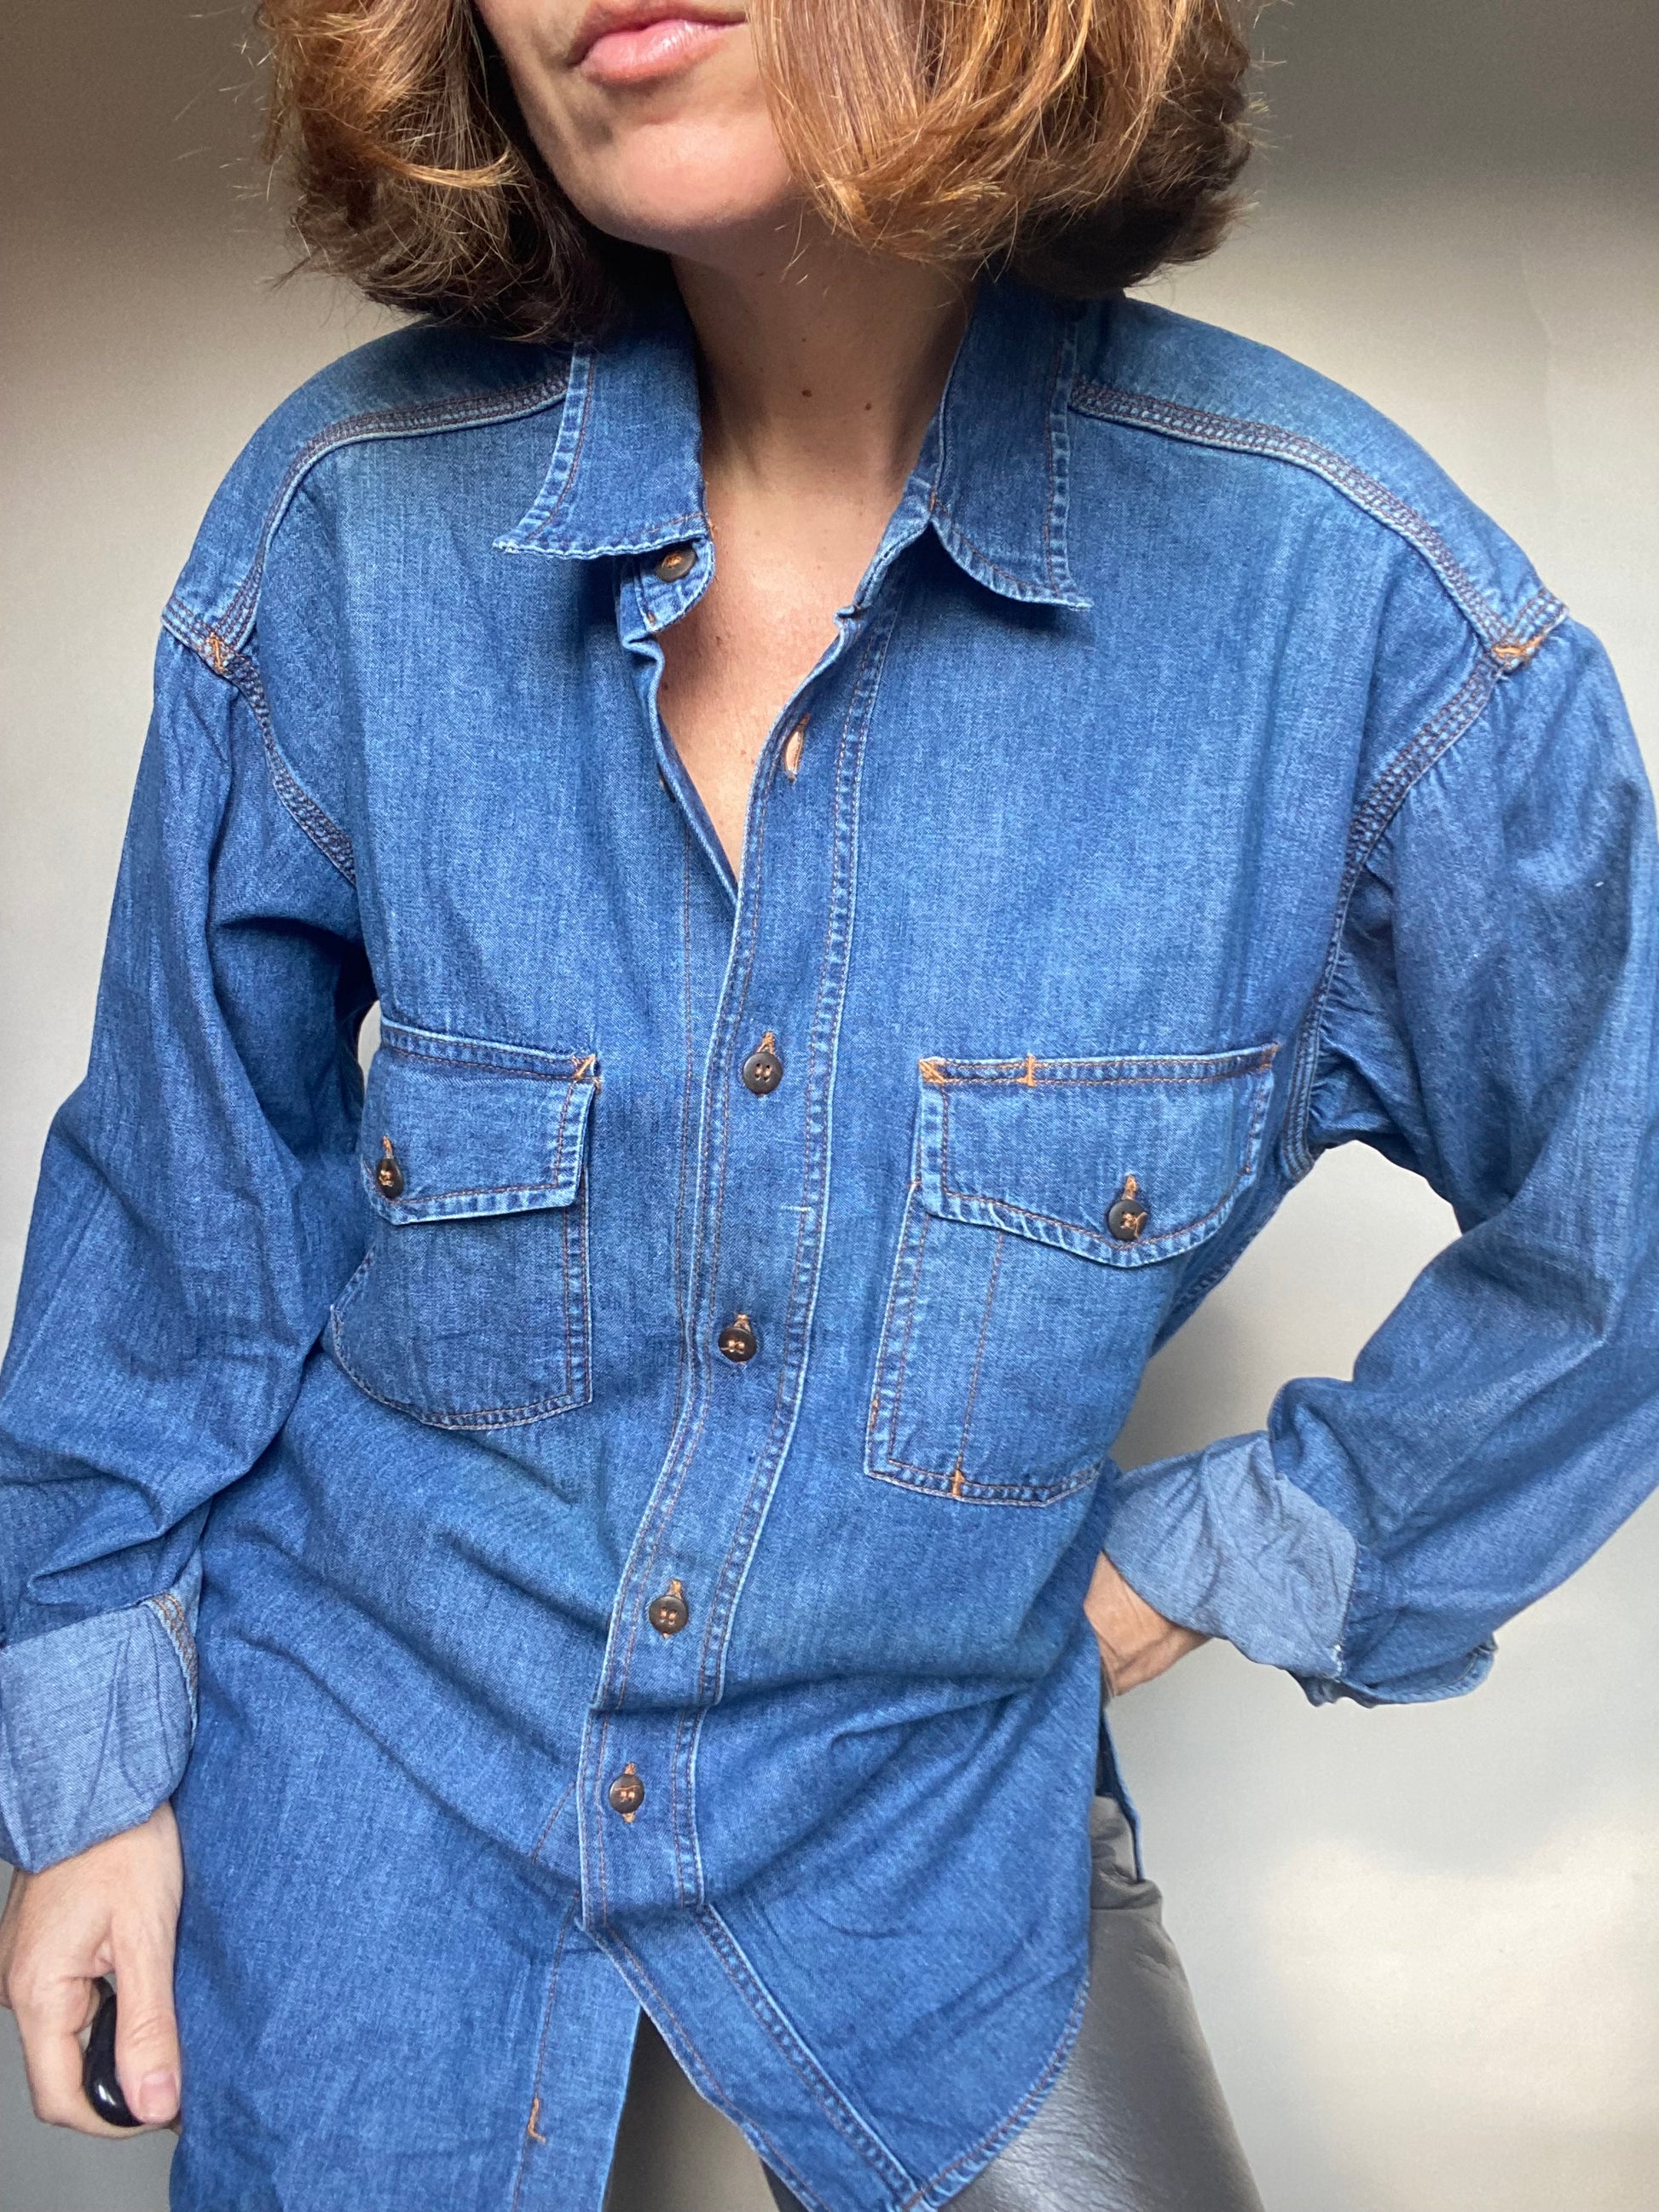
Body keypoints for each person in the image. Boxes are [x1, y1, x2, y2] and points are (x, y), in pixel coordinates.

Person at [2, 1, 1655, 2206]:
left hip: (933, 1800)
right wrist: (91, 1775)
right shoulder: (348, 522)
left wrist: (1218, 1563)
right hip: (372, 1756)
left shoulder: (1350, 612)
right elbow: (177, 1203)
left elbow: (1627, 1221)